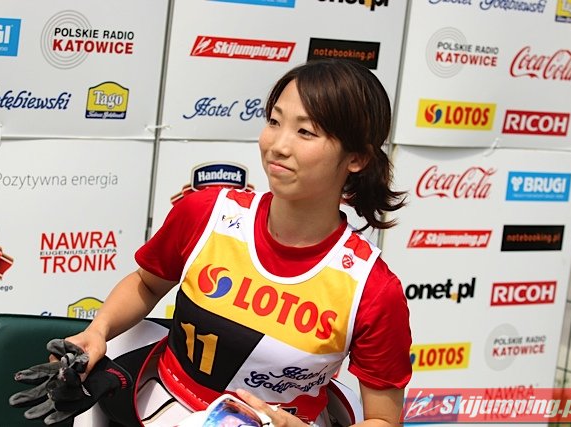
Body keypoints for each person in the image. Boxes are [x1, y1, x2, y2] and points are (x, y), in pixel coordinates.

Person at [62, 58, 412, 426]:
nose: (278, 145)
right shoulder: (206, 213)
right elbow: (147, 284)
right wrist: (98, 331)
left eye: (305, 132)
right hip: (163, 405)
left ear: (356, 158)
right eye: (274, 121)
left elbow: (384, 420)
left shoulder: (373, 289)